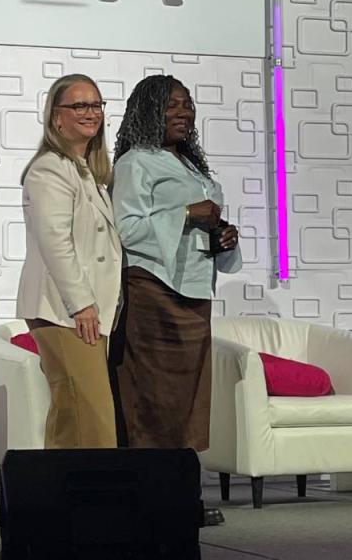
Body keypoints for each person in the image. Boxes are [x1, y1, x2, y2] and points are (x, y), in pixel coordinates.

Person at [111, 73, 242, 453]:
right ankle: (152, 493)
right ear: (148, 110)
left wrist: (222, 238)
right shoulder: (136, 163)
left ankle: (181, 491)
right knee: (153, 395)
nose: (183, 112)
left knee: (189, 398)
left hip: (195, 292)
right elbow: (125, 230)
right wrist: (186, 212)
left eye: (187, 104)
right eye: (172, 105)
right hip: (153, 290)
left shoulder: (192, 167)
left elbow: (197, 226)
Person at [16, 73, 122, 449]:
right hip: (65, 311)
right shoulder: (50, 169)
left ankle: (60, 502)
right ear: (56, 117)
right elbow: (55, 243)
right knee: (91, 422)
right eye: (79, 105)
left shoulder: (86, 172)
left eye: (96, 105)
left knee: (72, 416)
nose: (90, 112)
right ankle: (91, 502)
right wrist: (82, 304)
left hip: (83, 311)